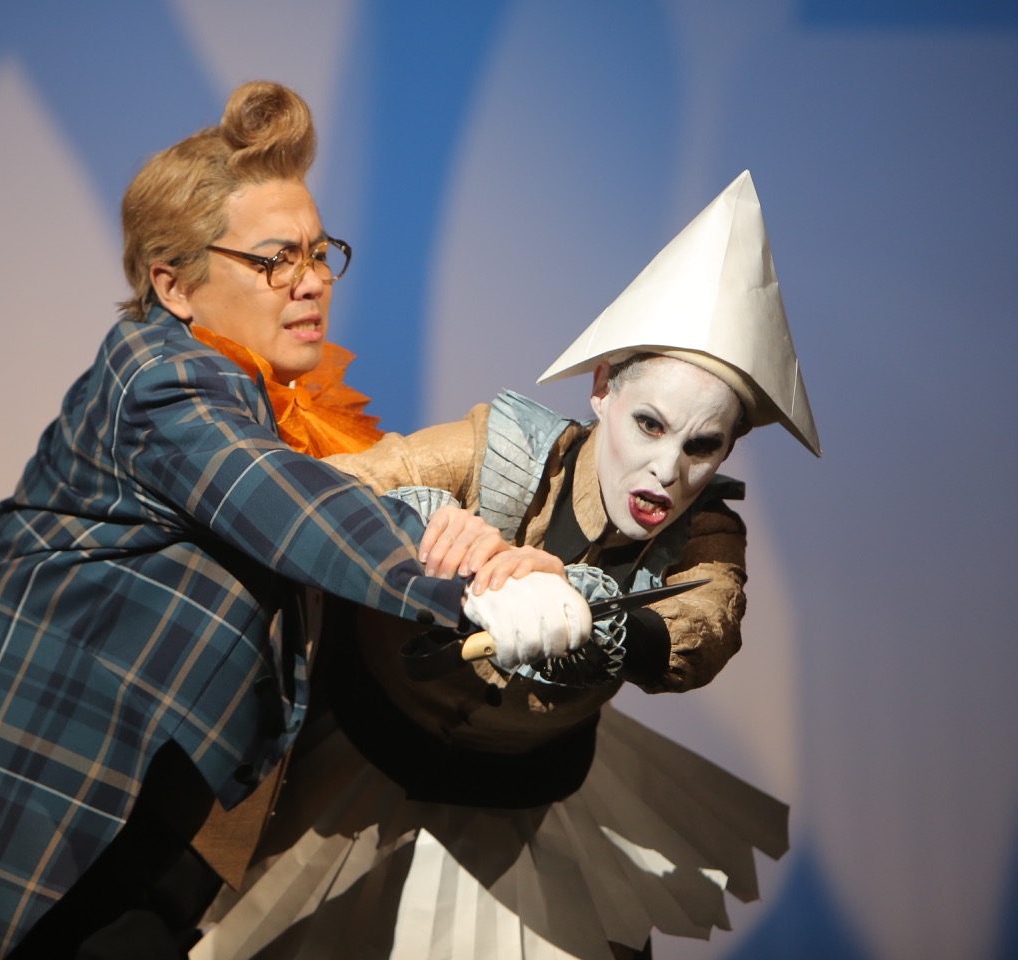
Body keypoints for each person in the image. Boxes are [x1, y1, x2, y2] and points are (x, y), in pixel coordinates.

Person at [0, 80, 593, 960]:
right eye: (275, 261)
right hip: (21, 787)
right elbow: (289, 503)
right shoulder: (163, 381)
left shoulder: (278, 399)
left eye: (319, 253)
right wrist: (481, 585)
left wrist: (486, 537)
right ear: (174, 284)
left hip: (136, 807)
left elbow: (349, 493)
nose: (311, 282)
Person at [190, 170, 819, 960]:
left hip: (524, 804)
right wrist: (426, 527)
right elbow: (330, 492)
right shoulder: (496, 450)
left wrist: (582, 611)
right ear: (602, 390)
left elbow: (706, 625)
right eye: (650, 425)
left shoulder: (707, 531)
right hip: (355, 759)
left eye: (703, 445)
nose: (667, 470)